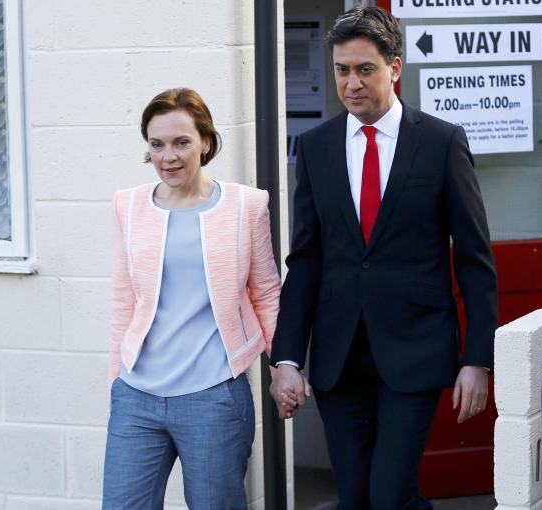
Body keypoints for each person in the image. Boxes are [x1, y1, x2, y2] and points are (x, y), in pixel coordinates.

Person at [269, 6, 498, 510]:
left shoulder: (440, 143)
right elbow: (304, 261)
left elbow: (475, 260)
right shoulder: (315, 148)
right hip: (337, 358)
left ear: (395, 68)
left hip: (415, 350)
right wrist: (286, 357)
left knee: (390, 496)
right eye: (341, 70)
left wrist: (477, 358)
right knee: (355, 498)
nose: (351, 83)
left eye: (364, 69)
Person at [102, 88, 281, 509]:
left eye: (181, 142)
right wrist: (116, 379)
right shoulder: (128, 206)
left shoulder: (246, 206)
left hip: (214, 395)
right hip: (137, 396)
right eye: (157, 144)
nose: (169, 156)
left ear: (205, 140)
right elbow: (122, 299)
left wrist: (282, 366)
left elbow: (267, 293)